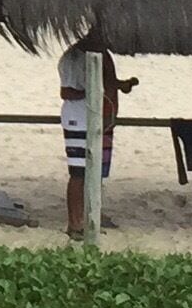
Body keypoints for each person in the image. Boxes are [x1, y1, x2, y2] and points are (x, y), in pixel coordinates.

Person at [59, 34, 138, 238]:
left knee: (97, 172)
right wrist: (94, 93)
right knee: (78, 172)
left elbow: (106, 81)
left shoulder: (103, 54)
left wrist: (120, 85)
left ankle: (91, 215)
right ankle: (74, 222)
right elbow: (66, 92)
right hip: (80, 119)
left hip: (101, 119)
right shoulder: (73, 57)